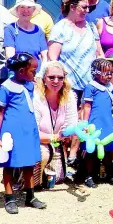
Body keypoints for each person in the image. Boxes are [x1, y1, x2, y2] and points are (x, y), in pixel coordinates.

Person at [0, 53, 46, 214]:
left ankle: (30, 196)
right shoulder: (6, 87)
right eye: (33, 70)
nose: (35, 73)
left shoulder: (29, 84)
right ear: (22, 70)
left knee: (29, 163)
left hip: (28, 131)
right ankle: (9, 197)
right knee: (10, 165)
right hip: (12, 132)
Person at [48, 0, 103, 106]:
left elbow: (99, 54)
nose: (87, 11)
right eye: (84, 7)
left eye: (88, 8)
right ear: (72, 7)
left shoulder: (91, 27)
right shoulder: (60, 28)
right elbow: (53, 59)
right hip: (68, 86)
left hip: (91, 86)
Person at [33, 61, 77, 190]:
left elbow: (72, 124)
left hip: (57, 143)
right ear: (44, 79)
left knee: (57, 178)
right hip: (36, 142)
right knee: (43, 154)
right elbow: (33, 132)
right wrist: (55, 137)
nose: (56, 81)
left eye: (60, 77)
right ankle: (27, 179)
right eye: (51, 77)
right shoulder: (36, 97)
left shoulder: (69, 97)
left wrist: (72, 132)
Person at [81, 58, 113, 187]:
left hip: (106, 122)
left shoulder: (108, 88)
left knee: (108, 149)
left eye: (110, 73)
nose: (109, 76)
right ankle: (89, 175)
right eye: (105, 73)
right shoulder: (91, 87)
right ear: (95, 73)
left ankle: (110, 173)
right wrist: (85, 123)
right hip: (94, 122)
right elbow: (87, 106)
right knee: (91, 151)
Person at [4, 0, 48, 66]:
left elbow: (45, 56)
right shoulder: (10, 29)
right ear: (17, 10)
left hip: (36, 74)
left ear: (33, 10)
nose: (26, 10)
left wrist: (41, 73)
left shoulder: (39, 31)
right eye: (22, 7)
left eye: (29, 7)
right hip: (17, 74)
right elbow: (10, 56)